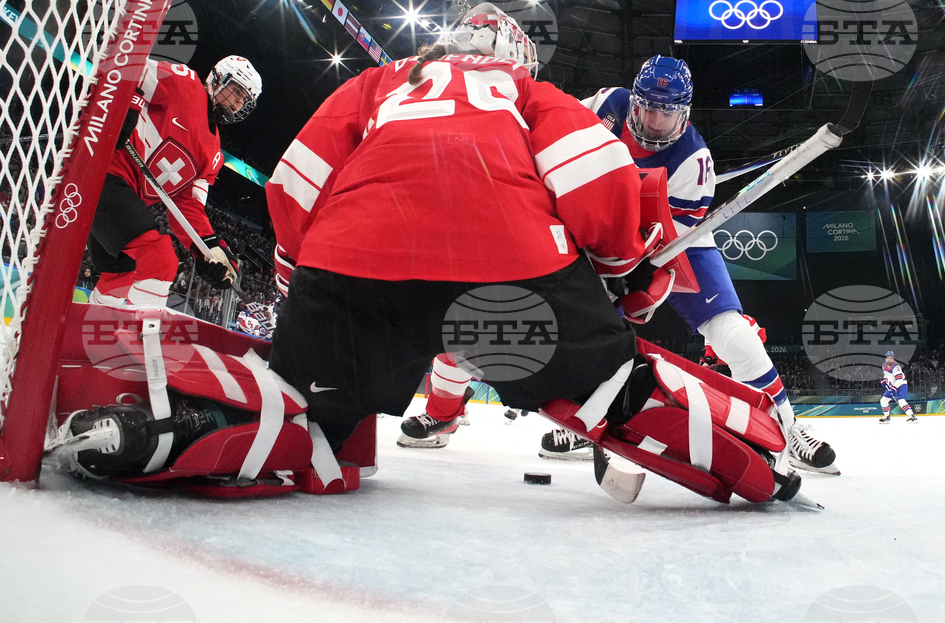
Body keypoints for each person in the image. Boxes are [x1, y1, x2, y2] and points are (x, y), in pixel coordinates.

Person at [56, 5, 807, 506]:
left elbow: (295, 180)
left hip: (353, 270)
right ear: (516, 58)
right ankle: (760, 463)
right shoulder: (527, 93)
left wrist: (302, 282)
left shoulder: (381, 81)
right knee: (614, 386)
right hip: (509, 272)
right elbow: (595, 177)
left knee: (311, 409)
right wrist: (620, 278)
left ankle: (157, 435)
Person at [538, 56, 838, 473]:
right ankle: (581, 417)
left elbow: (667, 241)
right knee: (583, 322)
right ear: (634, 100)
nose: (655, 121)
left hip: (673, 240)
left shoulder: (694, 164)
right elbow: (556, 141)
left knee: (735, 336)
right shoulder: (607, 103)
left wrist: (630, 271)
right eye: (647, 108)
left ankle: (788, 430)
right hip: (599, 227)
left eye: (667, 112)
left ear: (685, 111)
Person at [87, 56, 262, 307]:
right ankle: (140, 340)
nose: (236, 103)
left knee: (123, 274)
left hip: (122, 201)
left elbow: (188, 205)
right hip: (103, 172)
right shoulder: (185, 83)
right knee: (160, 260)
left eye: (244, 100)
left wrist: (208, 247)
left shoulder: (214, 154)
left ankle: (89, 325)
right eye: (236, 91)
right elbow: (127, 65)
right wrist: (126, 106)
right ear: (216, 78)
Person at [879, 351, 917, 423]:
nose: (889, 359)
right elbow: (887, 375)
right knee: (883, 400)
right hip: (892, 386)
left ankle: (912, 416)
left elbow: (899, 380)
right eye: (888, 358)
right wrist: (884, 381)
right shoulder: (884, 365)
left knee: (901, 401)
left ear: (893, 359)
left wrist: (894, 387)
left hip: (901, 385)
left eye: (891, 358)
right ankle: (886, 416)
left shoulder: (896, 367)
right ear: (886, 358)